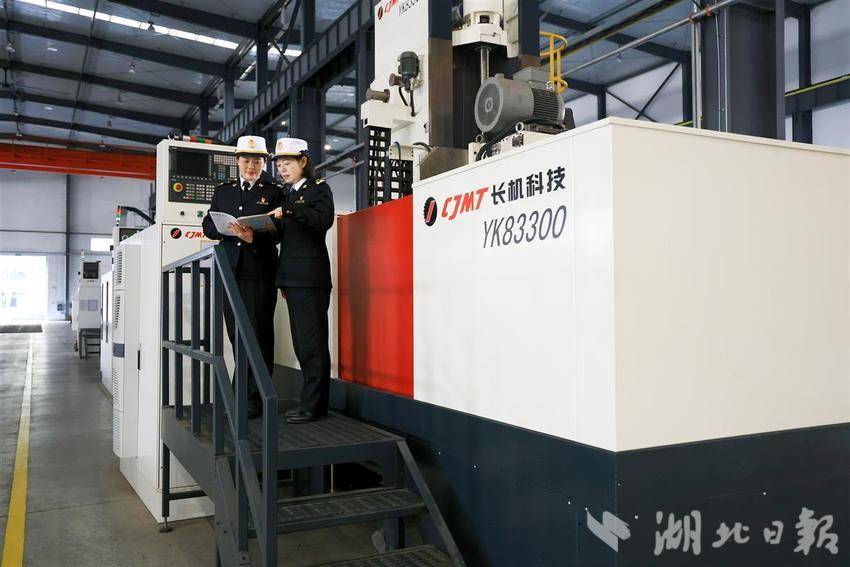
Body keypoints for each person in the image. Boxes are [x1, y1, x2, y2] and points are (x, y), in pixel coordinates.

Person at [202, 135, 284, 419]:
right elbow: (207, 225)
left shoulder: (273, 192)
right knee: (235, 334)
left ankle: (255, 399)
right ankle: (242, 395)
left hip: (259, 271)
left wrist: (253, 238)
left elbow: (281, 232)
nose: (251, 166)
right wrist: (224, 228)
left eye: (257, 161)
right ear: (237, 161)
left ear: (263, 163)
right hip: (230, 271)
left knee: (258, 334)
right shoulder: (223, 191)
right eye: (246, 160)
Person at [268, 138, 335, 424]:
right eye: (279, 165)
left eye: (288, 163)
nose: (282, 169)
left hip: (310, 279)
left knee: (312, 344)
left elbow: (323, 220)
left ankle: (314, 407)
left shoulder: (318, 189)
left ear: (303, 162)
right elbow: (288, 239)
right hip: (293, 279)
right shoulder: (289, 195)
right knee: (302, 345)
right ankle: (308, 402)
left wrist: (289, 210)